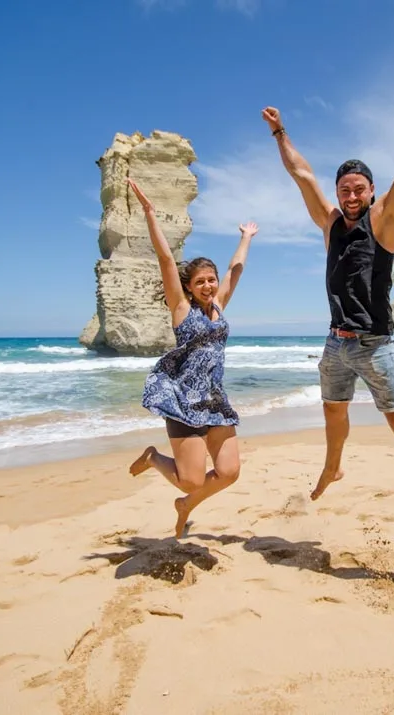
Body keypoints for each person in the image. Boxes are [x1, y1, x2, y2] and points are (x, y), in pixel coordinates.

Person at [262, 61, 394, 549]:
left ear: (372, 191)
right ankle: (333, 468)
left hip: (377, 346)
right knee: (334, 413)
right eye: (345, 188)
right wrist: (280, 133)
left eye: (359, 187)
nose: (351, 193)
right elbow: (301, 172)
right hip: (336, 344)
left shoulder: (384, 222)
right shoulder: (330, 224)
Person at [125, 177, 258, 538]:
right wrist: (151, 213)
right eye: (200, 281)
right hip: (184, 403)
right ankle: (154, 459)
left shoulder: (219, 304)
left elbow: (235, 270)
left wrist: (246, 237)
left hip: (214, 402)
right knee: (190, 480)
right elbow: (166, 259)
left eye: (211, 280)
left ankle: (187, 507)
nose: (208, 286)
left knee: (229, 472)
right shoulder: (182, 308)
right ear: (188, 286)